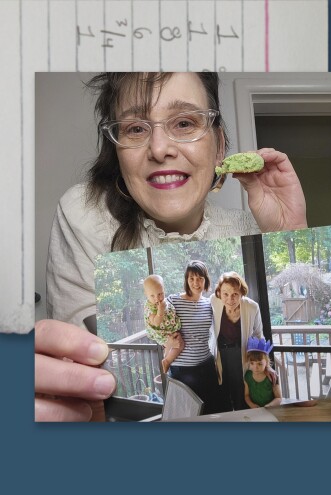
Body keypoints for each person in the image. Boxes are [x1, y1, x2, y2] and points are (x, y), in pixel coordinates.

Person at [35, 72, 307, 421]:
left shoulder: (249, 230)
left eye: (184, 123)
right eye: (135, 128)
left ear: (219, 145)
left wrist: (289, 234)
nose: (160, 148)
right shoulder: (84, 216)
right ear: (117, 150)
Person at [162, 261, 224, 414]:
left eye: (200, 278)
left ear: (206, 280)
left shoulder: (209, 304)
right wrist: (167, 342)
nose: (196, 283)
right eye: (191, 278)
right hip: (182, 369)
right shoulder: (173, 301)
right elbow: (158, 327)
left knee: (212, 410)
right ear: (186, 280)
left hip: (207, 366)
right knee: (186, 412)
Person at [211, 271, 270, 411]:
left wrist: (266, 364)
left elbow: (258, 335)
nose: (230, 299)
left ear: (242, 293)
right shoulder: (214, 301)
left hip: (241, 355)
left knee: (242, 393)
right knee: (223, 392)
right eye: (225, 294)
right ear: (219, 293)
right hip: (221, 355)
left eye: (235, 294)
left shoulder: (252, 307)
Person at [142, 274, 184, 374]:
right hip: (162, 333)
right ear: (146, 294)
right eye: (152, 295)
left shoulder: (165, 301)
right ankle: (167, 361)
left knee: (179, 343)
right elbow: (156, 323)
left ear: (164, 290)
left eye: (160, 294)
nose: (157, 298)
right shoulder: (150, 307)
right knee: (180, 345)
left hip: (170, 330)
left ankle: (167, 355)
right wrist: (160, 311)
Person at [243, 338, 282, 408]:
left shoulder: (272, 376)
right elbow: (246, 395)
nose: (255, 367)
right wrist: (252, 405)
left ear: (266, 362)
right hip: (255, 411)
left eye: (260, 364)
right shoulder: (247, 376)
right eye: (252, 363)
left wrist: (269, 405)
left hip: (271, 410)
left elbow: (279, 398)